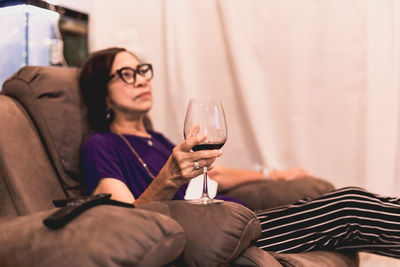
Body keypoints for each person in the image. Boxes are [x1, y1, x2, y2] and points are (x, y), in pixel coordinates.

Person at [80, 47, 400, 259]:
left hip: (242, 218)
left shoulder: (156, 138)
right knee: (349, 206)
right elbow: (120, 219)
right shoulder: (101, 146)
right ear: (102, 94)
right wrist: (167, 179)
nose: (140, 80)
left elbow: (212, 173)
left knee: (352, 199)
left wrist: (273, 174)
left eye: (142, 70)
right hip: (215, 234)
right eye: (125, 74)